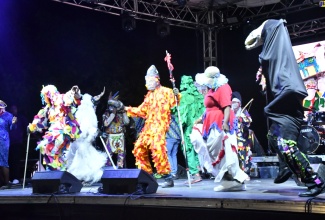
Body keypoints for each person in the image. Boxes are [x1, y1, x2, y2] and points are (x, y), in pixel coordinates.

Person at [244, 19, 325, 197]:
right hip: (283, 115)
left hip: (288, 115)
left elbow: (292, 90)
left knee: (286, 146)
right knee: (272, 137)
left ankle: (316, 182)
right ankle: (285, 167)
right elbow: (252, 45)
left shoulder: (284, 69)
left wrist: (270, 108)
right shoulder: (277, 63)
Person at [192, 66, 249, 191]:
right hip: (211, 122)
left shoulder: (223, 87)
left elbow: (226, 106)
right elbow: (211, 108)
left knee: (225, 150)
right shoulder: (212, 88)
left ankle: (233, 179)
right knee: (212, 150)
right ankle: (226, 178)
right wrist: (202, 119)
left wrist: (226, 122)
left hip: (220, 123)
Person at [125, 65, 180, 188]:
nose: (148, 82)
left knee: (157, 147)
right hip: (148, 127)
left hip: (160, 126)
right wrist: (125, 109)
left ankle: (168, 177)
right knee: (139, 148)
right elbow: (141, 111)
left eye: (150, 79)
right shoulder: (149, 95)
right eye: (147, 80)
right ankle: (147, 176)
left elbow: (174, 103)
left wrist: (177, 95)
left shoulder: (167, 91)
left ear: (157, 79)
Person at [27, 85, 82, 171]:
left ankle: (56, 176)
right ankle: (57, 177)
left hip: (64, 131)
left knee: (50, 150)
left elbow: (70, 97)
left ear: (49, 94)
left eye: (45, 95)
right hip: (56, 132)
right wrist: (32, 127)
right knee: (51, 153)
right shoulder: (49, 108)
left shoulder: (61, 98)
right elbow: (40, 117)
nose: (44, 98)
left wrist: (73, 92)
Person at [65, 91, 107, 185]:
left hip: (83, 141)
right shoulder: (85, 113)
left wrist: (94, 133)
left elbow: (90, 128)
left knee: (85, 160)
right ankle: (78, 178)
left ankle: (83, 178)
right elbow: (86, 128)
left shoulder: (85, 113)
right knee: (79, 160)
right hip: (80, 141)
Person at [179, 75, 204, 183]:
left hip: (189, 128)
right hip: (199, 127)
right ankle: (199, 168)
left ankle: (195, 174)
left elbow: (183, 117)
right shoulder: (199, 96)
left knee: (189, 149)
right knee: (197, 148)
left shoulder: (184, 97)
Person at [102, 91, 130, 169]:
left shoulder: (120, 113)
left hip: (120, 136)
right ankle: (108, 170)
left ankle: (120, 170)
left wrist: (124, 113)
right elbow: (105, 124)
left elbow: (127, 122)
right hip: (110, 136)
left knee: (121, 155)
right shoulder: (106, 113)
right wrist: (112, 114)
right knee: (108, 155)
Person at [8, 105, 28, 184]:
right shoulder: (7, 117)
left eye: (15, 109)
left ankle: (16, 177)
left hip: (17, 142)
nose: (13, 110)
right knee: (9, 161)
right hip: (7, 143)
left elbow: (27, 127)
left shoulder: (21, 118)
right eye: (12, 109)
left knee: (16, 160)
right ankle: (9, 178)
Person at [0, 100, 17, 189]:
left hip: (3, 141)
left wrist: (13, 124)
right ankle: (2, 182)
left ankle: (6, 183)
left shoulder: (8, 115)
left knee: (3, 162)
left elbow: (12, 128)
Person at [165, 108, 181, 180]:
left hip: (170, 137)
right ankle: (175, 172)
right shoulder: (176, 117)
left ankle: (172, 172)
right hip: (177, 137)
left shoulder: (166, 118)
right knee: (174, 155)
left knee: (168, 154)